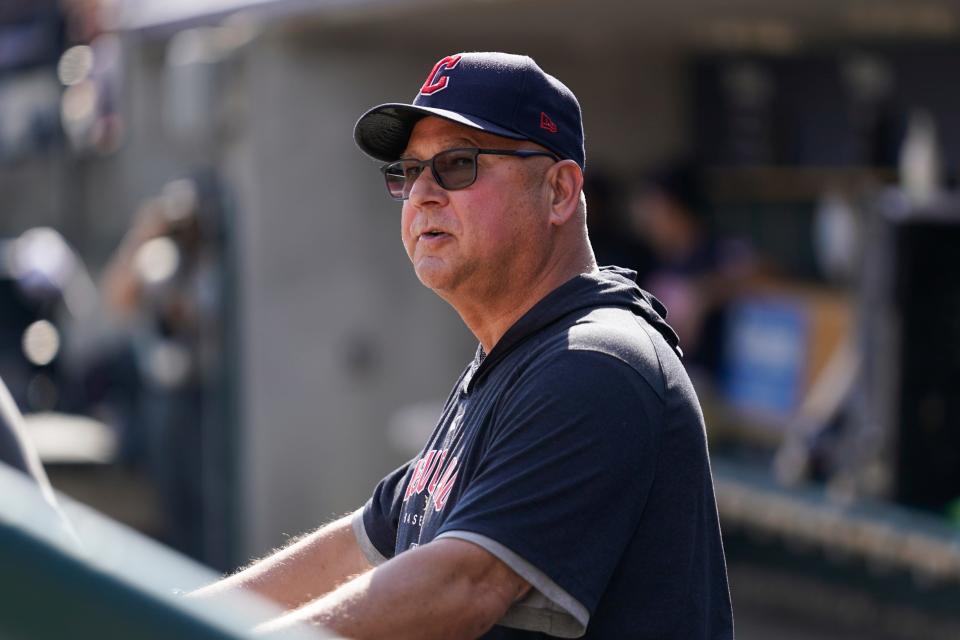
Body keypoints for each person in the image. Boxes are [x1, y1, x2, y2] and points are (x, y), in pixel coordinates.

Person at [193, 52, 733, 639]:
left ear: (558, 191)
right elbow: (353, 551)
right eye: (406, 171)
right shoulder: (509, 362)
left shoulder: (597, 360)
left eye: (456, 164)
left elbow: (461, 585)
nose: (420, 193)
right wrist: (154, 616)